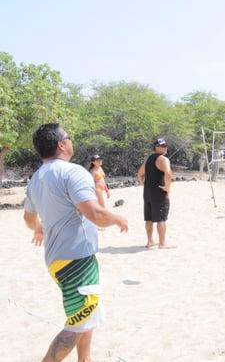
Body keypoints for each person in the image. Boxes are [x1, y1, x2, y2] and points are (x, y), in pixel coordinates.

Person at [23, 123, 128, 362]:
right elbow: (95, 214)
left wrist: (40, 229)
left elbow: (29, 218)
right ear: (61, 145)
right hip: (76, 260)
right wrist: (117, 218)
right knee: (79, 319)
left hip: (57, 259)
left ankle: (85, 359)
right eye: (68, 137)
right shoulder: (73, 172)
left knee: (86, 312)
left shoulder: (36, 179)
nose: (71, 141)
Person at [138, 138, 173, 248]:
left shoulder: (148, 159)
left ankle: (150, 241)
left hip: (147, 193)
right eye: (162, 145)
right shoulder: (163, 159)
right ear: (156, 147)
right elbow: (168, 173)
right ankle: (162, 243)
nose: (165, 147)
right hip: (159, 193)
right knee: (161, 218)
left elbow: (139, 174)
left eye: (165, 145)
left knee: (149, 219)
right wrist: (167, 188)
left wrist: (145, 185)